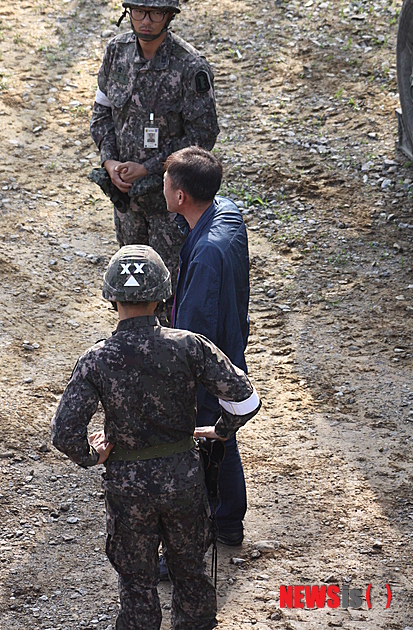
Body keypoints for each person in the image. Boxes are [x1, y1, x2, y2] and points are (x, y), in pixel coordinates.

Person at [51, 245, 261, 630]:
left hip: (127, 489)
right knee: (191, 574)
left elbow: (64, 433)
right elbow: (245, 399)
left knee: (136, 585)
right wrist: (220, 431)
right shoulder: (189, 346)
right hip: (184, 481)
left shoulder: (96, 359)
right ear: (163, 296)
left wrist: (92, 455)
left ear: (111, 297)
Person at [89, 0, 219, 295]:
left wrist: (149, 167)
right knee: (130, 288)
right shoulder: (116, 53)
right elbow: (101, 113)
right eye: (139, 11)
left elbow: (203, 136)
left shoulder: (190, 66)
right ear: (128, 13)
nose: (146, 20)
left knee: (171, 289)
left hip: (170, 203)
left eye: (156, 13)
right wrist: (109, 162)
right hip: (126, 198)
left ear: (169, 16)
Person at [163, 147, 251, 547]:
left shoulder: (205, 256)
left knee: (209, 435)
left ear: (180, 195)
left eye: (166, 183)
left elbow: (194, 337)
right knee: (220, 432)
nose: (163, 188)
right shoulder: (226, 212)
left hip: (211, 358)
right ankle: (228, 520)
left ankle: (218, 522)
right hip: (231, 341)